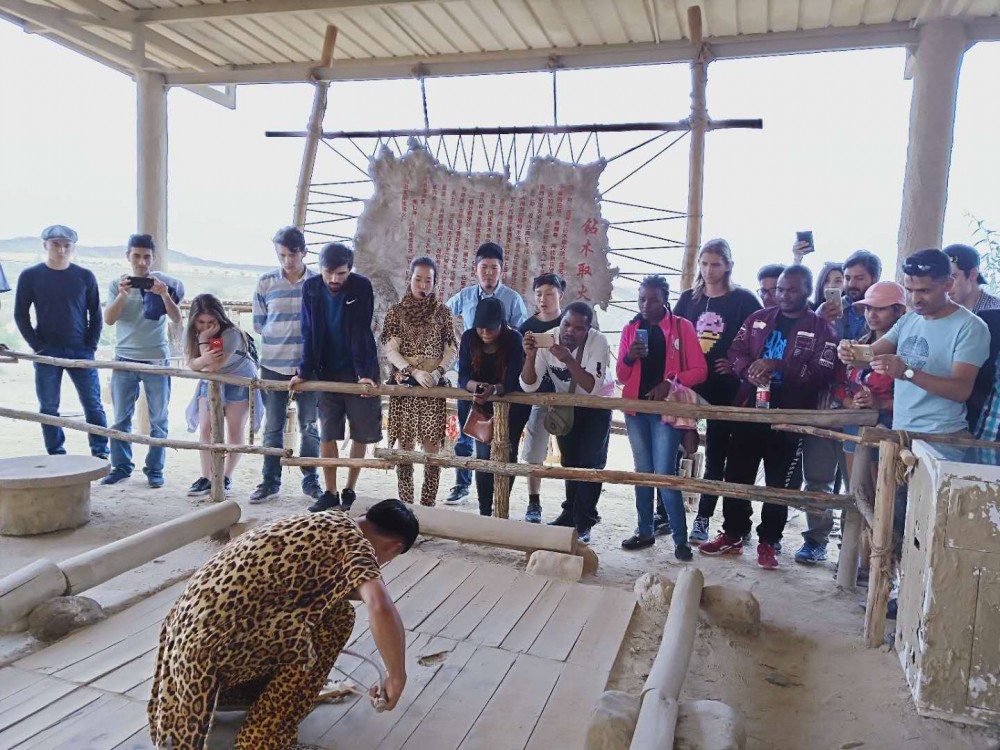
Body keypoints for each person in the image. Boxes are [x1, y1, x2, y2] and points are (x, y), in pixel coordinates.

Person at [147, 499, 417, 750]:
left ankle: (247, 694)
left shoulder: (326, 520)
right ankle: (265, 737)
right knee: (337, 621)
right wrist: (397, 677)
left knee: (333, 610)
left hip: (182, 648)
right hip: (213, 655)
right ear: (395, 546)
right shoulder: (356, 547)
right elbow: (380, 607)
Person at [839, 249, 990, 558]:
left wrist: (906, 371)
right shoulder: (908, 322)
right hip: (901, 439)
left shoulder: (971, 327)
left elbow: (961, 389)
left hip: (941, 441)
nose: (915, 298)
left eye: (924, 290)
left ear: (948, 284)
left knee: (928, 531)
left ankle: (913, 600)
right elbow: (871, 352)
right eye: (909, 289)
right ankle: (893, 595)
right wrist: (850, 350)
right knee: (894, 525)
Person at [700, 265, 838, 570]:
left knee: (779, 484)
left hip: (790, 418)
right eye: (780, 290)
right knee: (736, 474)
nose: (784, 296)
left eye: (792, 290)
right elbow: (735, 351)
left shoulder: (822, 330)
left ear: (807, 291)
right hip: (750, 411)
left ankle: (768, 542)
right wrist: (748, 369)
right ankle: (733, 533)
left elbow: (822, 374)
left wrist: (778, 364)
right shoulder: (759, 319)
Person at [794, 249, 880, 565]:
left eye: (859, 277)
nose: (851, 284)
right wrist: (820, 323)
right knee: (816, 479)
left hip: (858, 411)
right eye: (847, 278)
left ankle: (850, 552)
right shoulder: (824, 312)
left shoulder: (878, 315)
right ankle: (815, 541)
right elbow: (809, 356)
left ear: (874, 279)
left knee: (855, 486)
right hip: (823, 408)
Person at [674, 239, 762, 544]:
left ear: (728, 266)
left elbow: (761, 338)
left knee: (716, 458)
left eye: (716, 264)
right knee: (675, 446)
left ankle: (703, 518)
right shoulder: (688, 299)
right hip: (687, 386)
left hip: (725, 389)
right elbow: (671, 335)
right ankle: (666, 512)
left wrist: (737, 365)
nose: (709, 270)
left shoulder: (744, 301)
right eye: (705, 263)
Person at [617, 275, 707, 559]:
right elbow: (621, 375)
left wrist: (670, 382)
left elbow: (700, 370)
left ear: (666, 298)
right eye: (642, 299)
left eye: (653, 299)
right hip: (636, 411)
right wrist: (630, 357)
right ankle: (644, 532)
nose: (646, 304)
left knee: (665, 474)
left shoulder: (683, 327)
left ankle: (680, 540)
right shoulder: (631, 328)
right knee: (642, 472)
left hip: (666, 412)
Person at [290, 242, 381, 513]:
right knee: (328, 431)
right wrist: (304, 372)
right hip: (326, 369)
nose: (334, 279)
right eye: (329, 272)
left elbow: (362, 331)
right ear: (320, 269)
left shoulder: (361, 287)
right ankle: (329, 491)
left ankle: (349, 489)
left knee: (361, 432)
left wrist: (364, 374)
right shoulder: (311, 288)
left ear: (350, 270)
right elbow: (308, 331)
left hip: (358, 369)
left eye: (341, 273)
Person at [14, 225, 109, 458]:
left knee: (93, 405)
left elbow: (96, 314)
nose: (61, 249)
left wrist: (91, 346)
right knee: (48, 407)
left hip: (80, 348)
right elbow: (20, 314)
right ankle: (56, 453)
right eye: (56, 244)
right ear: (45, 245)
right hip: (47, 349)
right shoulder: (30, 276)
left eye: (66, 245)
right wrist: (37, 345)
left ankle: (100, 452)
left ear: (73, 247)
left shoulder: (85, 276)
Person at [445, 242, 529, 505]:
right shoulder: (466, 298)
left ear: (502, 270)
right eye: (484, 268)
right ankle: (462, 484)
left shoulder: (512, 300)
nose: (489, 273)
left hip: (502, 378)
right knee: (467, 437)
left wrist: (500, 386)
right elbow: (442, 316)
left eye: (494, 268)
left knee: (502, 448)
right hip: (471, 374)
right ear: (476, 270)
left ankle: (498, 500)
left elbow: (520, 335)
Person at [521, 301, 612, 543]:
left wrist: (569, 360)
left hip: (596, 407)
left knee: (590, 464)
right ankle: (569, 513)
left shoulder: (599, 342)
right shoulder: (549, 339)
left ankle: (584, 522)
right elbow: (529, 385)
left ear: (588, 329)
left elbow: (592, 388)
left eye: (578, 328)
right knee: (570, 462)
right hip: (566, 406)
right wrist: (530, 357)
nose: (570, 331)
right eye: (566, 324)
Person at [101, 234, 184, 488]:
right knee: (120, 418)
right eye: (136, 256)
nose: (141, 261)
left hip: (157, 358)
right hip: (124, 358)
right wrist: (122, 296)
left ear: (153, 258)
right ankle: (122, 466)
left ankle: (155, 469)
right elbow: (109, 319)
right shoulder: (117, 285)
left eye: (146, 256)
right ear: (128, 256)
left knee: (159, 418)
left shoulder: (162, 284)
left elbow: (176, 318)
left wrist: (164, 295)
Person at [249, 226, 323, 504]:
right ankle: (269, 482)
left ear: (303, 252)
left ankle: (311, 481)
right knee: (273, 426)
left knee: (309, 426)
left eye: (293, 254)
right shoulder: (266, 282)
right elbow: (259, 324)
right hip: (273, 365)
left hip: (308, 368)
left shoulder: (316, 282)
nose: (288, 261)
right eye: (282, 255)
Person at [381, 256, 457, 506]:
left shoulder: (443, 312)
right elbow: (390, 349)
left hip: (432, 388)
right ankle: (406, 505)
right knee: (405, 448)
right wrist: (413, 371)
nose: (423, 285)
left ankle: (427, 506)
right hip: (405, 385)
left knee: (431, 448)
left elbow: (451, 349)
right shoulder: (396, 311)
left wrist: (437, 373)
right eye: (418, 279)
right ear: (410, 279)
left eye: (428, 280)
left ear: (434, 282)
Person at [183, 294, 263, 497]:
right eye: (201, 322)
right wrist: (201, 350)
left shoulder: (232, 334)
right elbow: (191, 363)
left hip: (238, 379)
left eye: (211, 322)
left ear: (220, 318)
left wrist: (202, 344)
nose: (206, 327)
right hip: (212, 381)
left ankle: (225, 476)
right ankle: (206, 477)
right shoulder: (194, 334)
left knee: (235, 431)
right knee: (206, 428)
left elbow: (213, 365)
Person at [459, 298, 531, 516]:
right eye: (481, 327)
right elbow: (463, 377)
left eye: (491, 327)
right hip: (479, 406)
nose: (485, 332)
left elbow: (513, 380)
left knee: (508, 454)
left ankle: (501, 504)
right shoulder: (469, 338)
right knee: (483, 456)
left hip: (511, 406)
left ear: (502, 323)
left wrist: (495, 389)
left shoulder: (513, 339)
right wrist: (479, 387)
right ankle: (484, 510)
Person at [518, 272, 566, 522]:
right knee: (534, 450)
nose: (543, 299)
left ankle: (575, 505)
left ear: (561, 295)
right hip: (539, 396)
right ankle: (533, 502)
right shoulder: (527, 327)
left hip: (569, 397)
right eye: (538, 294)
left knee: (573, 452)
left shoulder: (572, 324)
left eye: (549, 293)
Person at [945, 243, 1000, 313]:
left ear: (973, 274)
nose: (946, 286)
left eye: (952, 277)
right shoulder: (942, 313)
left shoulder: (996, 312)